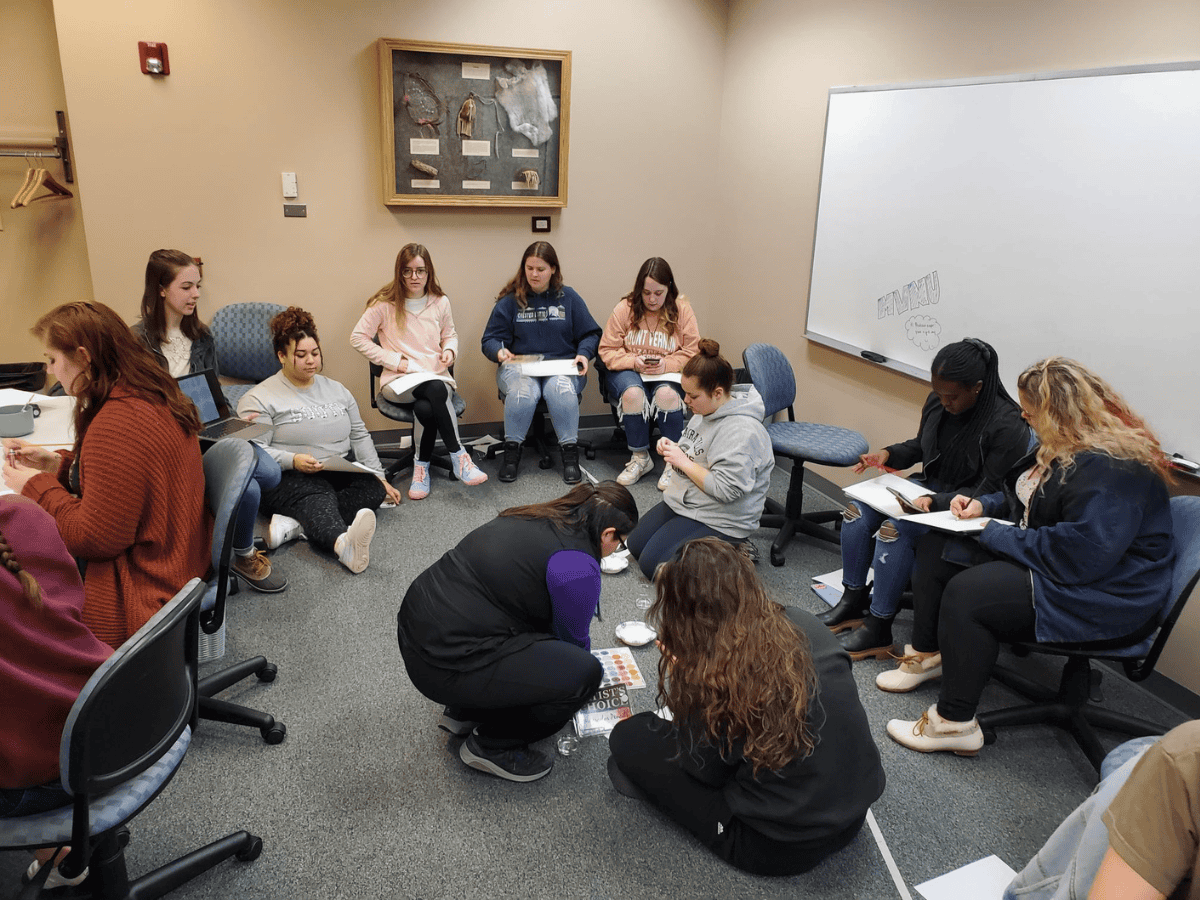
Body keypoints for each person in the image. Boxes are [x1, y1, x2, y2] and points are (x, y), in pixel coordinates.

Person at [883, 358, 1175, 756]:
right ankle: (930, 655)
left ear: (1060, 414)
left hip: (1104, 593)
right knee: (939, 548)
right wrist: (979, 507)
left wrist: (995, 533)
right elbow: (1019, 499)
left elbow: (1079, 556)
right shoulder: (1063, 446)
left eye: (1031, 411)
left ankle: (952, 725)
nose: (1023, 415)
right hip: (1064, 561)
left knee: (970, 594)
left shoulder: (1113, 470)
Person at [607, 538, 886, 876]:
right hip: (854, 815)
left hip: (775, 845)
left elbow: (704, 771)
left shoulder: (718, 672)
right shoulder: (803, 621)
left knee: (628, 737)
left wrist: (688, 681)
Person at [2, 301, 211, 649]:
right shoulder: (151, 391)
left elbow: (94, 539)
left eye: (53, 359)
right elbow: (131, 476)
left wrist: (35, 487)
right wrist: (59, 466)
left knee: (17, 549)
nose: (51, 372)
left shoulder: (115, 422)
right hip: (182, 556)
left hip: (149, 580)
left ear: (84, 357)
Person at [397, 482, 638, 783]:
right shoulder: (577, 566)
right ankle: (491, 744)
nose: (618, 548)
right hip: (443, 665)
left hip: (417, 631)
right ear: (607, 534)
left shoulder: (532, 515)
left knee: (525, 623)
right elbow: (573, 643)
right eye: (621, 542)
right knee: (583, 675)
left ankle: (465, 711)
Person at [821, 337, 1029, 660]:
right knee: (855, 513)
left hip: (965, 512)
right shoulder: (937, 402)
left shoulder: (1007, 424)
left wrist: (939, 501)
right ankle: (852, 598)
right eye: (938, 392)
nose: (943, 401)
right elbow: (921, 446)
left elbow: (994, 491)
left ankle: (879, 625)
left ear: (976, 387)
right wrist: (887, 453)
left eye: (951, 396)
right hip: (925, 493)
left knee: (894, 529)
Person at [131, 248, 286, 593]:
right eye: (186, 287)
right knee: (250, 487)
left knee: (270, 472)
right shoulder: (136, 342)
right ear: (160, 289)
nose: (196, 295)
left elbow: (210, 393)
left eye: (198, 286)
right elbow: (138, 408)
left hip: (208, 429)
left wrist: (232, 418)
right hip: (169, 439)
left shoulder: (202, 337)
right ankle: (242, 553)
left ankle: (225, 533)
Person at [1, 496, 114, 890]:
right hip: (117, 718)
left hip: (52, 774)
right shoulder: (24, 514)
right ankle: (52, 852)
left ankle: (50, 845)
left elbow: (99, 533)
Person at [237, 307, 403, 574]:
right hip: (288, 476)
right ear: (281, 356)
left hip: (336, 468)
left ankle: (296, 525)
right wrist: (293, 460)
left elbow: (359, 435)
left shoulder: (337, 390)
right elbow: (255, 450)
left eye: (315, 353)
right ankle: (343, 546)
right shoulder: (259, 398)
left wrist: (380, 476)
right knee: (319, 497)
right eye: (300, 355)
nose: (311, 360)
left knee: (373, 489)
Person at [625, 338, 774, 578]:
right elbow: (696, 450)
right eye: (685, 393)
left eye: (692, 396)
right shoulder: (706, 409)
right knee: (636, 545)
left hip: (721, 516)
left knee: (654, 567)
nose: (686, 401)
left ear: (717, 393)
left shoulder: (742, 432)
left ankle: (735, 549)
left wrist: (682, 461)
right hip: (690, 501)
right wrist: (674, 448)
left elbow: (726, 491)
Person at [350, 243, 487, 500]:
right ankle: (459, 456)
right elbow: (358, 338)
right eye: (408, 271)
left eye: (420, 271)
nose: (415, 277)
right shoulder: (384, 304)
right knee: (435, 391)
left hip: (434, 374)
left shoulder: (440, 302)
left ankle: (420, 468)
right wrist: (394, 361)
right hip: (399, 381)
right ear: (399, 273)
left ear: (429, 273)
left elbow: (450, 334)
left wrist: (449, 350)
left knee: (426, 406)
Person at [480, 241, 602, 484]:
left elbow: (591, 334)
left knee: (561, 390)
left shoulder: (569, 298)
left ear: (553, 270)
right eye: (529, 268)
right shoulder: (510, 301)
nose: (534, 274)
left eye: (541, 269)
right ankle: (512, 455)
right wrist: (500, 352)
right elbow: (490, 339)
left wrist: (584, 354)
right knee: (522, 393)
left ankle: (570, 456)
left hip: (561, 366)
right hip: (520, 368)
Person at [598, 256, 700, 490]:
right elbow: (607, 350)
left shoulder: (681, 309)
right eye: (646, 293)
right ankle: (640, 458)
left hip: (667, 372)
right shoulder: (625, 308)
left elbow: (692, 350)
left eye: (658, 293)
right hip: (630, 369)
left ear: (669, 289)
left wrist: (667, 365)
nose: (652, 299)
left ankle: (672, 463)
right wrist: (633, 361)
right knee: (633, 394)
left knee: (667, 396)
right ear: (638, 290)